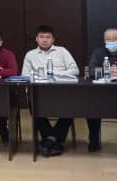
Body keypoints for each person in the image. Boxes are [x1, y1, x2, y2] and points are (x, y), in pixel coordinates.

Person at [23, 25, 81, 156]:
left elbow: (75, 70)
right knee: (34, 105)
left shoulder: (62, 51)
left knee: (71, 106)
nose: (45, 40)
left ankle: (49, 140)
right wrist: (39, 76)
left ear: (53, 39)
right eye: (41, 37)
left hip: (62, 92)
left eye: (48, 37)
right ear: (36, 39)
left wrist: (55, 74)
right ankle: (56, 141)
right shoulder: (30, 55)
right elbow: (25, 76)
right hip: (40, 93)